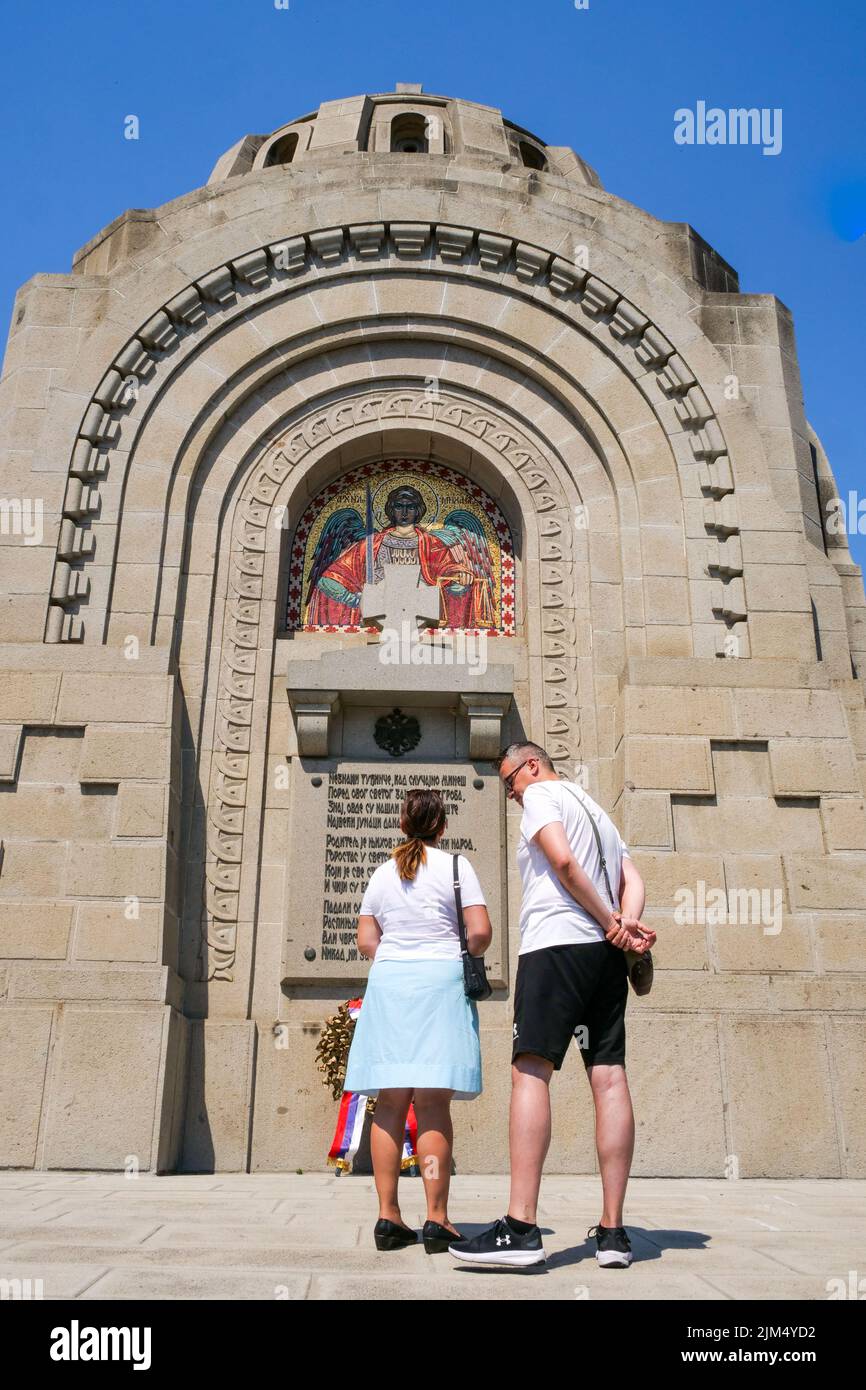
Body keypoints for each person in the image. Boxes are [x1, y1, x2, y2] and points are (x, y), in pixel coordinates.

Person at [450, 742, 656, 1269]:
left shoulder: (544, 795)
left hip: (556, 948)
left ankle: (520, 1227)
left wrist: (611, 923)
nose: (512, 794)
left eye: (509, 781)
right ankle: (613, 1233)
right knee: (608, 1077)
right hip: (604, 960)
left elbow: (562, 862)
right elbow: (634, 880)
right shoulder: (598, 812)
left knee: (531, 1071)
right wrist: (623, 927)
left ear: (533, 765)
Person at [342, 788, 493, 1252]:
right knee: (431, 1106)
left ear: (402, 826)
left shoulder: (383, 873)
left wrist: (398, 955)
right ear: (442, 827)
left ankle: (388, 1217)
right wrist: (463, 951)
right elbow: (481, 932)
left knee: (389, 1104)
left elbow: (367, 939)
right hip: (440, 985)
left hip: (390, 986)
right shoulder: (456, 866)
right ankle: (436, 1218)